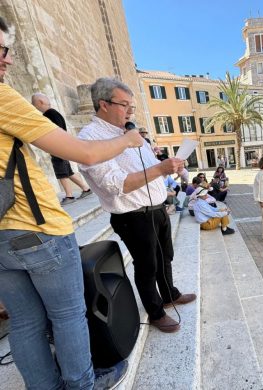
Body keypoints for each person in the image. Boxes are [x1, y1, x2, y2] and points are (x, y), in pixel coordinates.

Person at [0, 17, 144, 389]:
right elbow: (83, 152)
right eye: (2, 50)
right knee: (68, 315)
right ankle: (82, 384)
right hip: (37, 228)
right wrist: (127, 142)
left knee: (26, 322)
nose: (9, 61)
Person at [77, 77, 196, 334]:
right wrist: (160, 168)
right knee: (147, 265)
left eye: (132, 105)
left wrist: (170, 167)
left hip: (156, 209)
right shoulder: (89, 139)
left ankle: (169, 294)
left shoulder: (130, 133)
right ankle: (155, 312)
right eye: (125, 105)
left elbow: (149, 167)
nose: (130, 111)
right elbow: (114, 184)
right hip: (133, 216)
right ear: (103, 104)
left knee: (165, 257)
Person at [32, 93, 93, 205]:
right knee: (68, 172)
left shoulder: (49, 114)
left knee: (61, 173)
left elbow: (55, 132)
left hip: (57, 148)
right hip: (62, 147)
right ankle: (86, 189)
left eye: (34, 105)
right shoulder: (54, 113)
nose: (34, 107)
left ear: (40, 102)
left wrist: (54, 148)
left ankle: (69, 196)